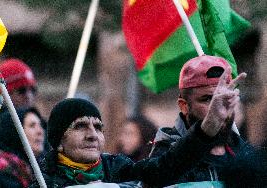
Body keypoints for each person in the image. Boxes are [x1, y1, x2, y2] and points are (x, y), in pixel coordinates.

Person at [30, 81, 245, 188]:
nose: (92, 135)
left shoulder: (118, 169)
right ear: (58, 141)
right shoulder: (42, 180)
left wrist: (207, 127)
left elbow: (167, 167)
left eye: (98, 127)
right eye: (80, 127)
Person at [146, 55, 252, 187]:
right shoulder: (164, 160)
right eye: (207, 99)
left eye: (225, 98)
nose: (218, 107)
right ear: (184, 106)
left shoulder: (248, 156)